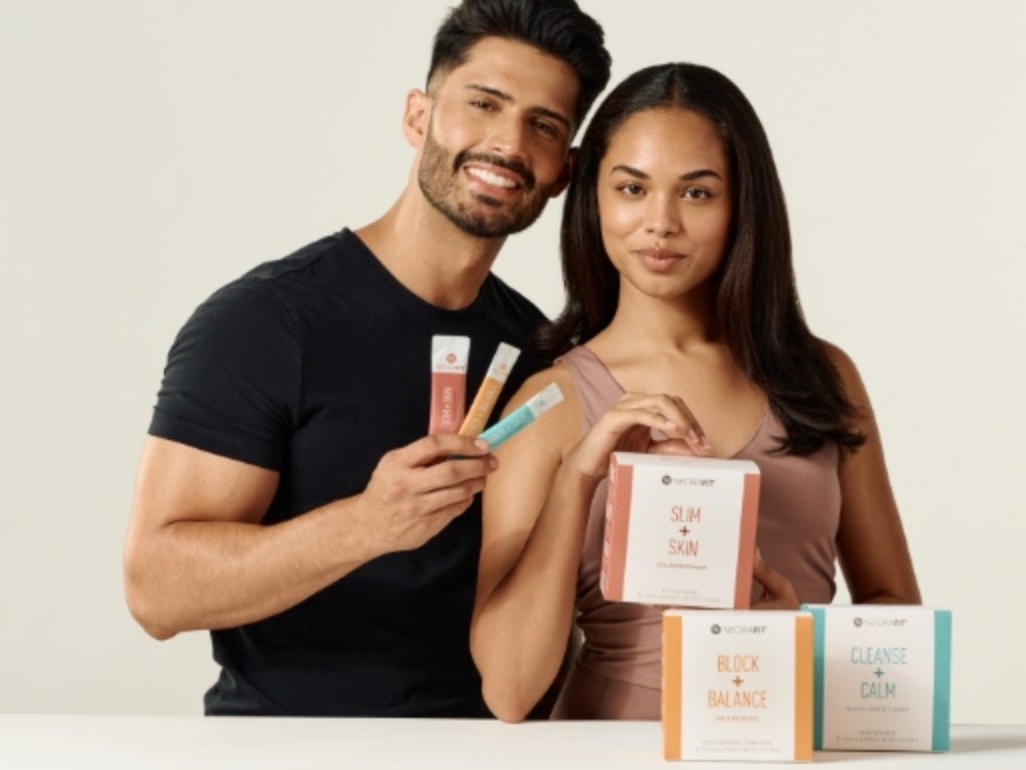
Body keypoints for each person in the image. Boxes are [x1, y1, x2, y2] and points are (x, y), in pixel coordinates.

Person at [122, 0, 611, 717]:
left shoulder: (541, 354)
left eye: (543, 124)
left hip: (497, 748)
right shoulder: (267, 321)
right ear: (418, 117)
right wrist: (368, 523)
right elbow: (155, 591)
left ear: (563, 170)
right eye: (484, 103)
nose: (507, 143)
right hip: (293, 745)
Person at [469, 62, 922, 722]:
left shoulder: (823, 378)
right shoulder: (550, 402)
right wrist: (578, 479)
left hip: (785, 747)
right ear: (593, 196)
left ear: (743, 204)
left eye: (697, 193)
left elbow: (895, 619)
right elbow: (509, 693)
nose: (660, 222)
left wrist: (794, 631)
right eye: (632, 187)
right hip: (607, 754)